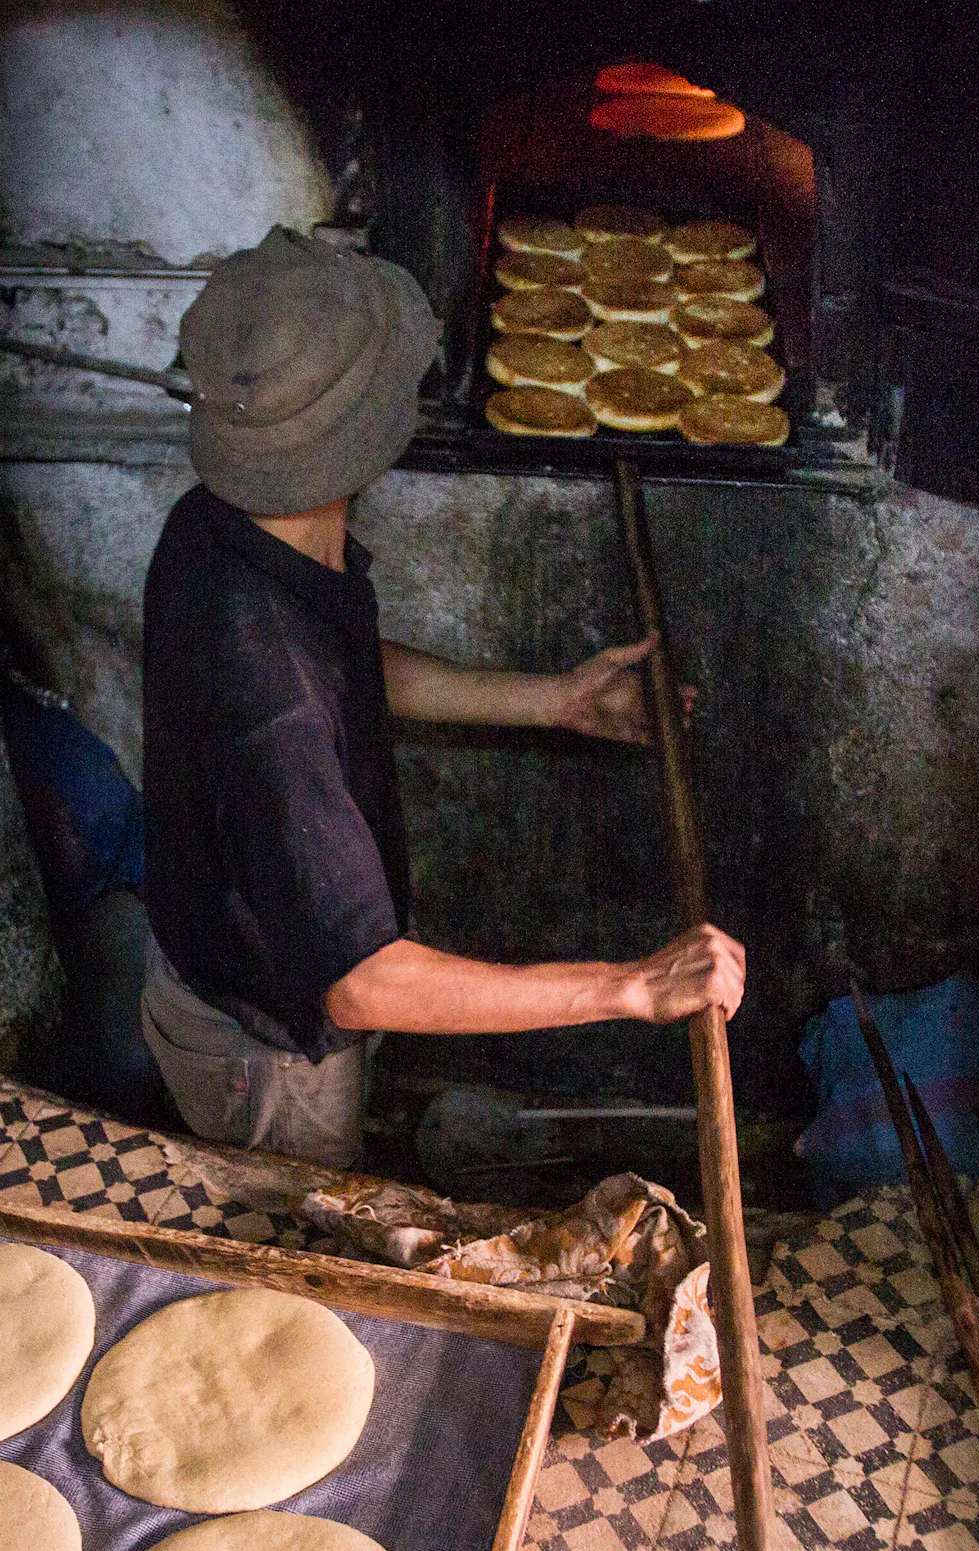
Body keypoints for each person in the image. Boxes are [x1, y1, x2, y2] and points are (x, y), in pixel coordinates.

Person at [140, 227, 746, 1168]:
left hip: (249, 970)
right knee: (295, 1265)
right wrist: (626, 988)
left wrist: (551, 701)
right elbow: (363, 985)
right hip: (266, 1058)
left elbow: (347, 666)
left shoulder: (226, 525)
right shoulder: (267, 699)